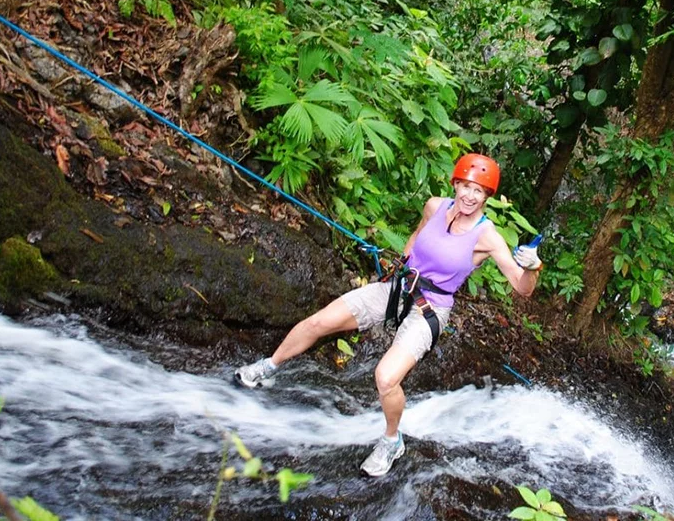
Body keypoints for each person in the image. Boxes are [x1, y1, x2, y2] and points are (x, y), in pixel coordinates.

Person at [233, 153, 543, 477]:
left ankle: (392, 441)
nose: (469, 195)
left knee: (385, 377)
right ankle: (268, 366)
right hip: (398, 287)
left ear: (487, 196)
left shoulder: (487, 237)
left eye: (478, 191)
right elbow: (415, 237)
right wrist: (403, 263)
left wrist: (533, 267)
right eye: (465, 186)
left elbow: (522, 288)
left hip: (431, 308)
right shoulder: (435, 206)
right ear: (455, 184)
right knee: (319, 321)